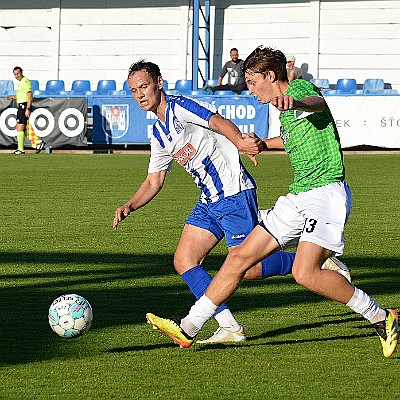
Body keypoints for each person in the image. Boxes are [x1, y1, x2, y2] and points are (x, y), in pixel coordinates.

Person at [145, 46, 399, 358]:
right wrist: (265, 143)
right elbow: (293, 138)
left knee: (305, 274)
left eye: (252, 82)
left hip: (326, 194)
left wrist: (296, 101)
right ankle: (188, 327)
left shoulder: (298, 90)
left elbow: (318, 104)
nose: (248, 90)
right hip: (298, 195)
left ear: (270, 76)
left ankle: (382, 317)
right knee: (239, 259)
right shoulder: (283, 110)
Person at [113, 60, 350, 344]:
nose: (139, 94)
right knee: (184, 260)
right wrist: (130, 205)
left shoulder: (180, 107)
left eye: (144, 86)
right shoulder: (158, 134)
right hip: (209, 200)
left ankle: (318, 263)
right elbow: (154, 180)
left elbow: (217, 121)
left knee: (249, 269)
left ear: (159, 83)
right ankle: (229, 327)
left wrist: (240, 142)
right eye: (133, 90)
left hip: (234, 191)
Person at [6, 66, 45, 154]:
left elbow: (29, 96)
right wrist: (12, 97)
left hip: (24, 106)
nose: (16, 76)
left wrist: (28, 108)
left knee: (20, 127)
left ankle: (22, 149)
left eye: (18, 74)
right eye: (15, 74)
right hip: (21, 106)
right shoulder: (20, 83)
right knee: (21, 127)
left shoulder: (25, 82)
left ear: (21, 73)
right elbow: (21, 96)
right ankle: (37, 143)